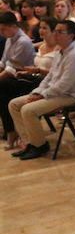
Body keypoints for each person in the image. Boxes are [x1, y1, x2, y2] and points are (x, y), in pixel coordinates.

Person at [8, 20, 75, 160]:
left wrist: (42, 96)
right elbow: (50, 77)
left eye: (60, 32)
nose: (55, 34)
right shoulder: (59, 52)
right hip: (55, 93)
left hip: (69, 96)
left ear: (71, 36)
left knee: (28, 109)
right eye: (55, 31)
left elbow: (64, 85)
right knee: (14, 104)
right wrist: (37, 92)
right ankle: (29, 143)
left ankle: (40, 145)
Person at [0, 11, 37, 150]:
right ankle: (10, 130)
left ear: (13, 26)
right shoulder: (10, 38)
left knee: (2, 88)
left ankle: (11, 131)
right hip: (13, 79)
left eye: (3, 29)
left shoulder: (23, 41)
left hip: (27, 80)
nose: (1, 32)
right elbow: (3, 62)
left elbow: (12, 69)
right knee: (2, 91)